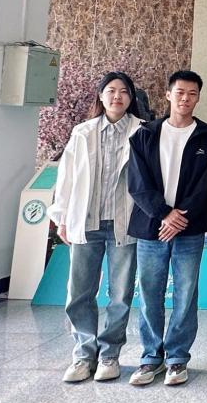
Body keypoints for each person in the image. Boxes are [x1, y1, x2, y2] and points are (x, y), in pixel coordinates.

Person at [127, 70, 207, 387]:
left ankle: (177, 358)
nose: (185, 98)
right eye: (180, 92)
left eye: (192, 93)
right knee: (149, 293)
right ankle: (150, 357)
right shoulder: (145, 135)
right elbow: (138, 183)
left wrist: (180, 217)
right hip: (152, 228)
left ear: (198, 97)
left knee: (186, 294)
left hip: (189, 230)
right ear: (168, 95)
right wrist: (164, 214)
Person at [49, 72, 143, 383]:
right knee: (79, 291)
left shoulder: (142, 131)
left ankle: (109, 355)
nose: (117, 96)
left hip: (123, 224)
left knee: (121, 294)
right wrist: (62, 216)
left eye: (124, 91)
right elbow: (67, 177)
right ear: (101, 96)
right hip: (86, 221)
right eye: (111, 91)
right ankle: (83, 354)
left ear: (131, 98)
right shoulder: (83, 132)